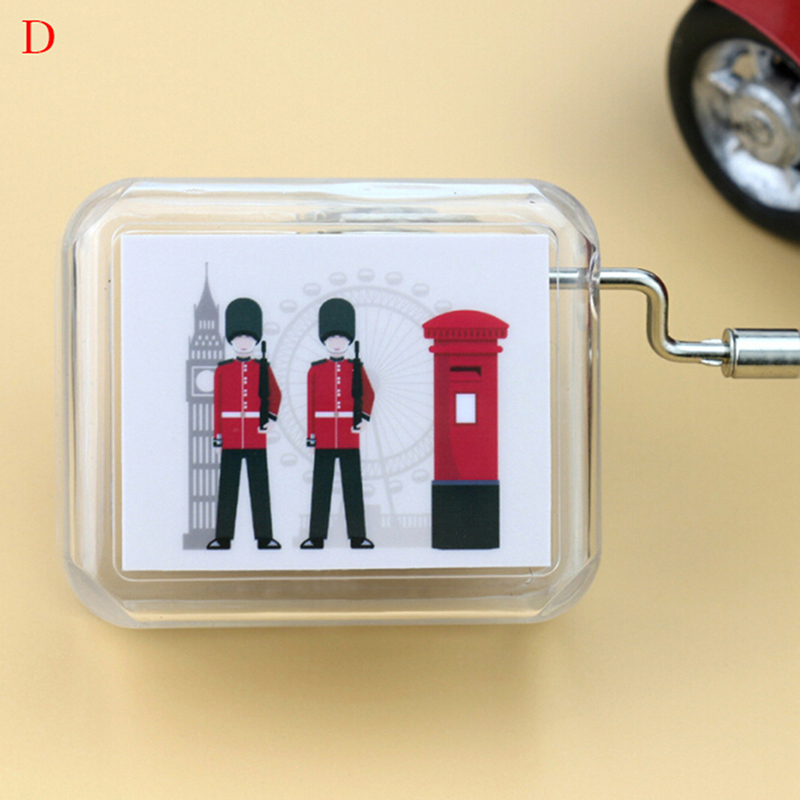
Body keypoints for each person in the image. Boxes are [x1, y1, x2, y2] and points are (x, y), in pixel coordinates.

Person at [207, 298, 282, 550]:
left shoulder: (263, 368)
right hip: (230, 435)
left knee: (259, 488)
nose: (243, 342)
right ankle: (223, 537)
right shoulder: (223, 370)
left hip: (254, 434)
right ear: (231, 339)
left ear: (256, 339)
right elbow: (218, 405)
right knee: (228, 488)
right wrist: (218, 437)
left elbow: (275, 394)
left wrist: (270, 418)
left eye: (248, 337)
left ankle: (264, 537)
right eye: (238, 337)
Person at [302, 298, 375, 549]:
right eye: (332, 337)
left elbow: (368, 393)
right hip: (323, 434)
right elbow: (311, 404)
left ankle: (357, 536)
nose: (336, 342)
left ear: (349, 340)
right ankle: (316, 536)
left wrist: (363, 417)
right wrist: (311, 434)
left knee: (352, 486)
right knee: (321, 487)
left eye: (342, 338)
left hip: (348, 433)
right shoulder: (316, 370)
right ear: (324, 340)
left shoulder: (356, 368)